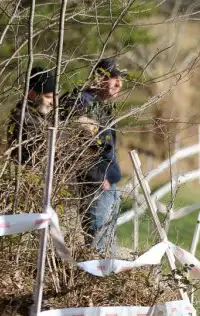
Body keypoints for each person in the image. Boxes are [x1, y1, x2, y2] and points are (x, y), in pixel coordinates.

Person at [63, 58, 126, 253]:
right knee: (98, 248)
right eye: (114, 78)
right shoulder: (81, 102)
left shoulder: (101, 107)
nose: (119, 83)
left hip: (108, 185)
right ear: (99, 78)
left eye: (120, 79)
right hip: (96, 185)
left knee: (108, 247)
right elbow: (78, 146)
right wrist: (99, 177)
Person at [7, 66, 55, 166]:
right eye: (48, 97)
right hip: (28, 177)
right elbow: (47, 144)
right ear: (32, 95)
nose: (53, 102)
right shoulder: (23, 117)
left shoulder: (41, 115)